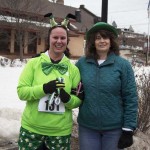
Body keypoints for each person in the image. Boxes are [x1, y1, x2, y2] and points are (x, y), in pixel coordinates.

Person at [17, 13, 82, 150]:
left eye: (63, 38)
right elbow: (22, 92)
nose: (59, 41)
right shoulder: (33, 64)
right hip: (31, 130)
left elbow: (78, 100)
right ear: (49, 39)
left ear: (67, 41)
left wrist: (67, 98)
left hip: (60, 132)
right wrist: (45, 88)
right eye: (55, 37)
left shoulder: (73, 70)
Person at [76, 22, 138, 150]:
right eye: (98, 38)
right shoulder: (81, 64)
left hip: (114, 129)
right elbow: (73, 88)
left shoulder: (123, 65)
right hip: (87, 128)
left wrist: (128, 129)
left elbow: (130, 97)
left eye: (105, 37)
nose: (102, 41)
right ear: (93, 41)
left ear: (111, 41)